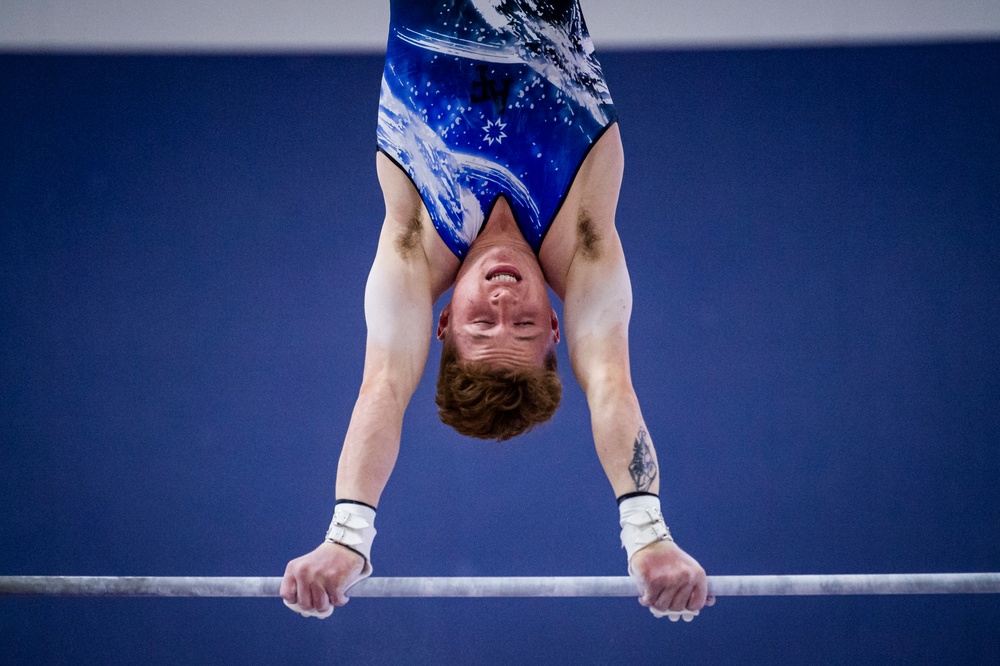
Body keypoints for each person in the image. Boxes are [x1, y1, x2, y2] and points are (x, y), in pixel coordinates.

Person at [281, 0, 711, 621]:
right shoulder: (585, 241)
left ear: (445, 323)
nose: (505, 302)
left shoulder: (412, 244)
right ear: (559, 328)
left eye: (482, 323)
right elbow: (611, 383)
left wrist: (348, 535)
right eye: (526, 324)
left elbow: (384, 384)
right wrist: (648, 534)